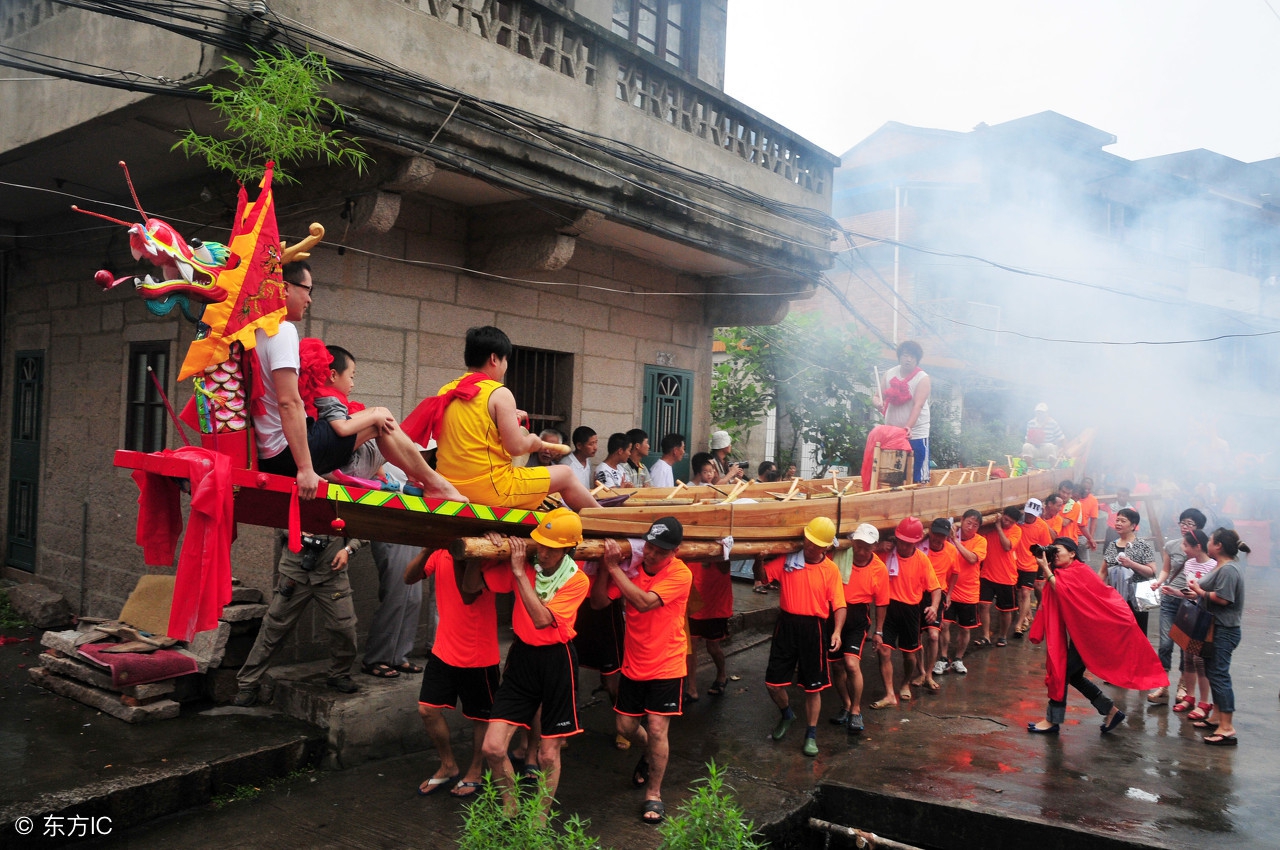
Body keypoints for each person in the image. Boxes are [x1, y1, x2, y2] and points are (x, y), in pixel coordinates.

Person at [255, 263, 463, 502]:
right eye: (308, 290)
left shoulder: (257, 330)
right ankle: (433, 483)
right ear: (284, 288)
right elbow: (288, 402)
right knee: (380, 417)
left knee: (379, 417)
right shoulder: (281, 329)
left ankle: (427, 481)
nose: (310, 300)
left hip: (277, 449)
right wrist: (305, 468)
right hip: (286, 452)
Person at [478, 509, 591, 811]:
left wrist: (518, 572)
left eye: (551, 549)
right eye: (540, 544)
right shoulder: (527, 564)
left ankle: (539, 818)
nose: (542, 552)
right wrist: (491, 547)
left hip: (557, 661)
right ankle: (510, 805)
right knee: (493, 746)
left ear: (567, 549)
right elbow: (480, 581)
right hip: (523, 657)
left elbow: (542, 619)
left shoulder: (577, 581)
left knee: (548, 754)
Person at [409, 327, 592, 510]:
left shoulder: (447, 389)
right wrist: (532, 441)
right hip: (489, 489)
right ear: (494, 359)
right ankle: (608, 523)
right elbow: (516, 447)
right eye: (506, 360)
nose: (505, 367)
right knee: (566, 474)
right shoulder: (499, 393)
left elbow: (475, 426)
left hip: (448, 486)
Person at [598, 518, 693, 825]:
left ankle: (654, 793)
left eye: (660, 551)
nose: (652, 555)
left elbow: (642, 603)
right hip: (634, 662)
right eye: (649, 547)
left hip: (667, 662)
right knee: (626, 727)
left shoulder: (680, 573)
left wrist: (613, 568)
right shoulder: (632, 568)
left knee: (656, 728)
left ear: (674, 551)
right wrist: (605, 568)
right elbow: (599, 602)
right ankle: (651, 755)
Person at [1026, 538, 1166, 735]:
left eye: (1057, 551)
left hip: (1095, 634)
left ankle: (1052, 720)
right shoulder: (1062, 572)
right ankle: (1110, 711)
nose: (1054, 554)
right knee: (1072, 675)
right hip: (1081, 633)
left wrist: (1046, 570)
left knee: (1063, 673)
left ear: (1072, 553)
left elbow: (1065, 593)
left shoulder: (1079, 571)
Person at [408, 547, 502, 798]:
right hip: (443, 648)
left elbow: (468, 594)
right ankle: (448, 765)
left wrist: (464, 552)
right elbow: (409, 577)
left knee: (481, 718)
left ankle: (476, 770)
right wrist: (429, 546)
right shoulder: (439, 551)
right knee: (427, 710)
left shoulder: (487, 554)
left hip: (479, 653)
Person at [233, 532, 366, 706]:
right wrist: (297, 531)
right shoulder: (291, 504)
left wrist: (348, 550)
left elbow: (365, 529)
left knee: (344, 628)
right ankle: (248, 683)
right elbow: (277, 520)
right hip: (295, 574)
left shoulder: (343, 504)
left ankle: (339, 674)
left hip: (332, 574)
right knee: (273, 629)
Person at [756, 518, 846, 755]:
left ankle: (811, 734)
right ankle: (787, 714)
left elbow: (839, 604)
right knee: (772, 683)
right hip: (786, 624)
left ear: (826, 548)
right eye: (808, 541)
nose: (810, 546)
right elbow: (763, 576)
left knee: (812, 687)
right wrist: (758, 558)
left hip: (814, 628)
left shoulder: (830, 570)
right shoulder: (788, 561)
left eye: (816, 544)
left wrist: (836, 631)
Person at [870, 517, 941, 708]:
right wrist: (877, 547)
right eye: (899, 540)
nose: (902, 545)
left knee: (910, 655)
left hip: (911, 610)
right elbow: (864, 555)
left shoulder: (922, 560)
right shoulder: (887, 553)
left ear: (915, 542)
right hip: (888, 607)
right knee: (884, 651)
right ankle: (889, 693)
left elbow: (936, 588)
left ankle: (904, 683)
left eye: (907, 542)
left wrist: (934, 607)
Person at [1187, 528, 1248, 745]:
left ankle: (1227, 726)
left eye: (1211, 541)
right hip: (1215, 628)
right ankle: (1216, 718)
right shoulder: (1222, 566)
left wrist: (1200, 591)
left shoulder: (1229, 569)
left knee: (1220, 675)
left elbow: (1224, 598)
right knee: (1213, 672)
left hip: (1224, 629)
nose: (1208, 543)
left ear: (1218, 545)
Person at [829, 524, 888, 733]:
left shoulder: (879, 569)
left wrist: (878, 631)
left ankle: (855, 709)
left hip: (858, 616)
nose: (861, 551)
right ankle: (845, 704)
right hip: (834, 612)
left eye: (867, 547)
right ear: (853, 542)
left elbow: (881, 602)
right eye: (859, 545)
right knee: (836, 666)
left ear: (875, 548)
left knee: (851, 664)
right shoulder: (840, 555)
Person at [1148, 508, 1207, 705]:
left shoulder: (1201, 550)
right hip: (1169, 599)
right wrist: (1159, 582)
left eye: (1190, 524)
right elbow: (1166, 569)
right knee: (1165, 643)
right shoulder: (1171, 545)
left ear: (1197, 528)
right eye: (1183, 523)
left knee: (1185, 646)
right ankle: (1163, 684)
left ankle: (1183, 685)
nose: (1185, 527)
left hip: (1189, 602)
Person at [1156, 528, 1216, 719]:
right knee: (1188, 657)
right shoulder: (1189, 563)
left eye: (1186, 545)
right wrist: (1174, 592)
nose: (1183, 549)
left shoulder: (1214, 566)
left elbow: (1213, 594)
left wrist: (1198, 594)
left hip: (1205, 617)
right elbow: (1187, 590)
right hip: (1188, 613)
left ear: (1198, 546)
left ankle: (1204, 701)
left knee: (1200, 660)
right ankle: (1189, 697)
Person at [362, 541, 425, 679]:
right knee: (396, 597)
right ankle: (375, 658)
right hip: (393, 534)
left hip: (413, 533)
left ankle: (398, 657)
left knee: (414, 599)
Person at [875, 341, 931, 484]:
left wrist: (908, 427)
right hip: (892, 433)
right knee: (892, 476)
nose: (908, 359)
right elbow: (876, 396)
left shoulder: (922, 378)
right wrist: (878, 403)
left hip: (915, 433)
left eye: (912, 356)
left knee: (918, 476)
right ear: (900, 356)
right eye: (906, 355)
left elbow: (917, 406)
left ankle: (919, 500)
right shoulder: (889, 374)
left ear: (917, 359)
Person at [941, 509, 987, 675]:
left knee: (965, 628)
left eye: (975, 525)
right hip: (948, 589)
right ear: (962, 520)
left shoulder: (980, 541)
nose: (971, 527)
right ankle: (943, 657)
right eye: (968, 522)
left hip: (969, 591)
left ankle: (959, 658)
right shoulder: (949, 533)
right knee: (944, 624)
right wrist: (951, 537)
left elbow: (972, 558)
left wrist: (955, 541)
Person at [1101, 507, 1158, 634]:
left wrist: (1131, 564)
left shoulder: (1142, 545)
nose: (1118, 523)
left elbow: (1152, 571)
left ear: (1133, 526)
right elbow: (1103, 572)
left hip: (1137, 598)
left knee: (1138, 631)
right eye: (1117, 520)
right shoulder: (1112, 545)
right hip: (1116, 597)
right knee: (1118, 632)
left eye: (1123, 521)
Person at [917, 517, 958, 691]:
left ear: (947, 536)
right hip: (918, 593)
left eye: (941, 535)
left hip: (937, 594)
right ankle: (920, 672)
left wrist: (948, 595)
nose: (937, 538)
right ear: (930, 532)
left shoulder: (951, 550)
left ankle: (929, 673)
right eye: (935, 534)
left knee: (933, 635)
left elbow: (955, 572)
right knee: (917, 635)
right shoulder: (920, 546)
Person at [975, 507, 1023, 648]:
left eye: (1010, 521)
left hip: (1006, 577)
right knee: (983, 605)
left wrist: (998, 528)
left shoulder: (1016, 530)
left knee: (1005, 611)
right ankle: (985, 636)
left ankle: (1002, 636)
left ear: (1014, 522)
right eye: (1005, 519)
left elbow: (1007, 546)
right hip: (987, 574)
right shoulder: (991, 526)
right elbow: (979, 532)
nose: (1006, 522)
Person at [687, 559, 732, 699]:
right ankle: (691, 689)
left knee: (712, 647)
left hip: (715, 604)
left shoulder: (721, 545)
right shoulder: (688, 545)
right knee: (690, 648)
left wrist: (710, 555)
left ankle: (722, 675)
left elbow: (725, 567)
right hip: (692, 602)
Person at [1012, 499, 1053, 638]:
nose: (1030, 517)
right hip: (1015, 563)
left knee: (1025, 593)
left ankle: (1019, 624)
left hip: (1031, 564)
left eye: (1032, 515)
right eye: (1028, 513)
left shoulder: (1042, 526)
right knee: (1019, 593)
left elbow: (1045, 546)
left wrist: (1043, 566)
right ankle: (1026, 617)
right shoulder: (1018, 521)